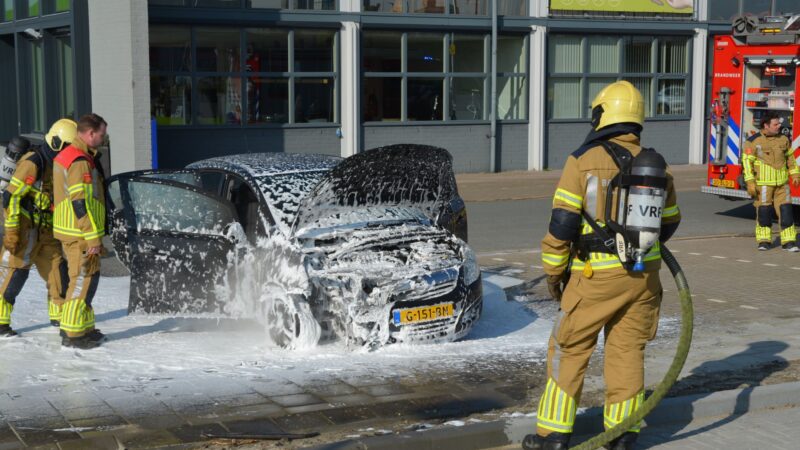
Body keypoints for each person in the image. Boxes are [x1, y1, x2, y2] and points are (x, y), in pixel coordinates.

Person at [523, 81, 681, 450]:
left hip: (594, 278)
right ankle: (621, 438)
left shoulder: (582, 161)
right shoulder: (657, 165)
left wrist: (553, 274)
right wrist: (634, 248)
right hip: (644, 278)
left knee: (569, 348)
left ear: (601, 114)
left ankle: (553, 437)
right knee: (627, 354)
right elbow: (670, 222)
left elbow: (561, 225)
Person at [0, 130, 70, 336]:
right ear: (58, 143)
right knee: (17, 272)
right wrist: (12, 231)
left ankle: (60, 315)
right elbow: (10, 198)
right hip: (26, 228)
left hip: (46, 228)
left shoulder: (56, 162)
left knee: (57, 269)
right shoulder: (33, 163)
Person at [52, 113, 108, 349]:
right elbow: (79, 202)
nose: (104, 139)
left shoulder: (76, 155)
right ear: (90, 133)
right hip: (79, 233)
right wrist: (92, 235)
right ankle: (73, 334)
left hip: (74, 232)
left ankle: (83, 327)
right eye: (102, 134)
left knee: (87, 279)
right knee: (81, 280)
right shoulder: (78, 161)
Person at [742, 111, 800, 252]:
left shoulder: (783, 139)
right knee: (764, 212)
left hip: (782, 184)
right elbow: (746, 162)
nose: (779, 126)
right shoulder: (754, 141)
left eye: (779, 123)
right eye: (775, 124)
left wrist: (795, 174)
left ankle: (789, 242)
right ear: (766, 125)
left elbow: (790, 159)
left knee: (786, 212)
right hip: (763, 184)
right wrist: (750, 182)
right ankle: (764, 241)